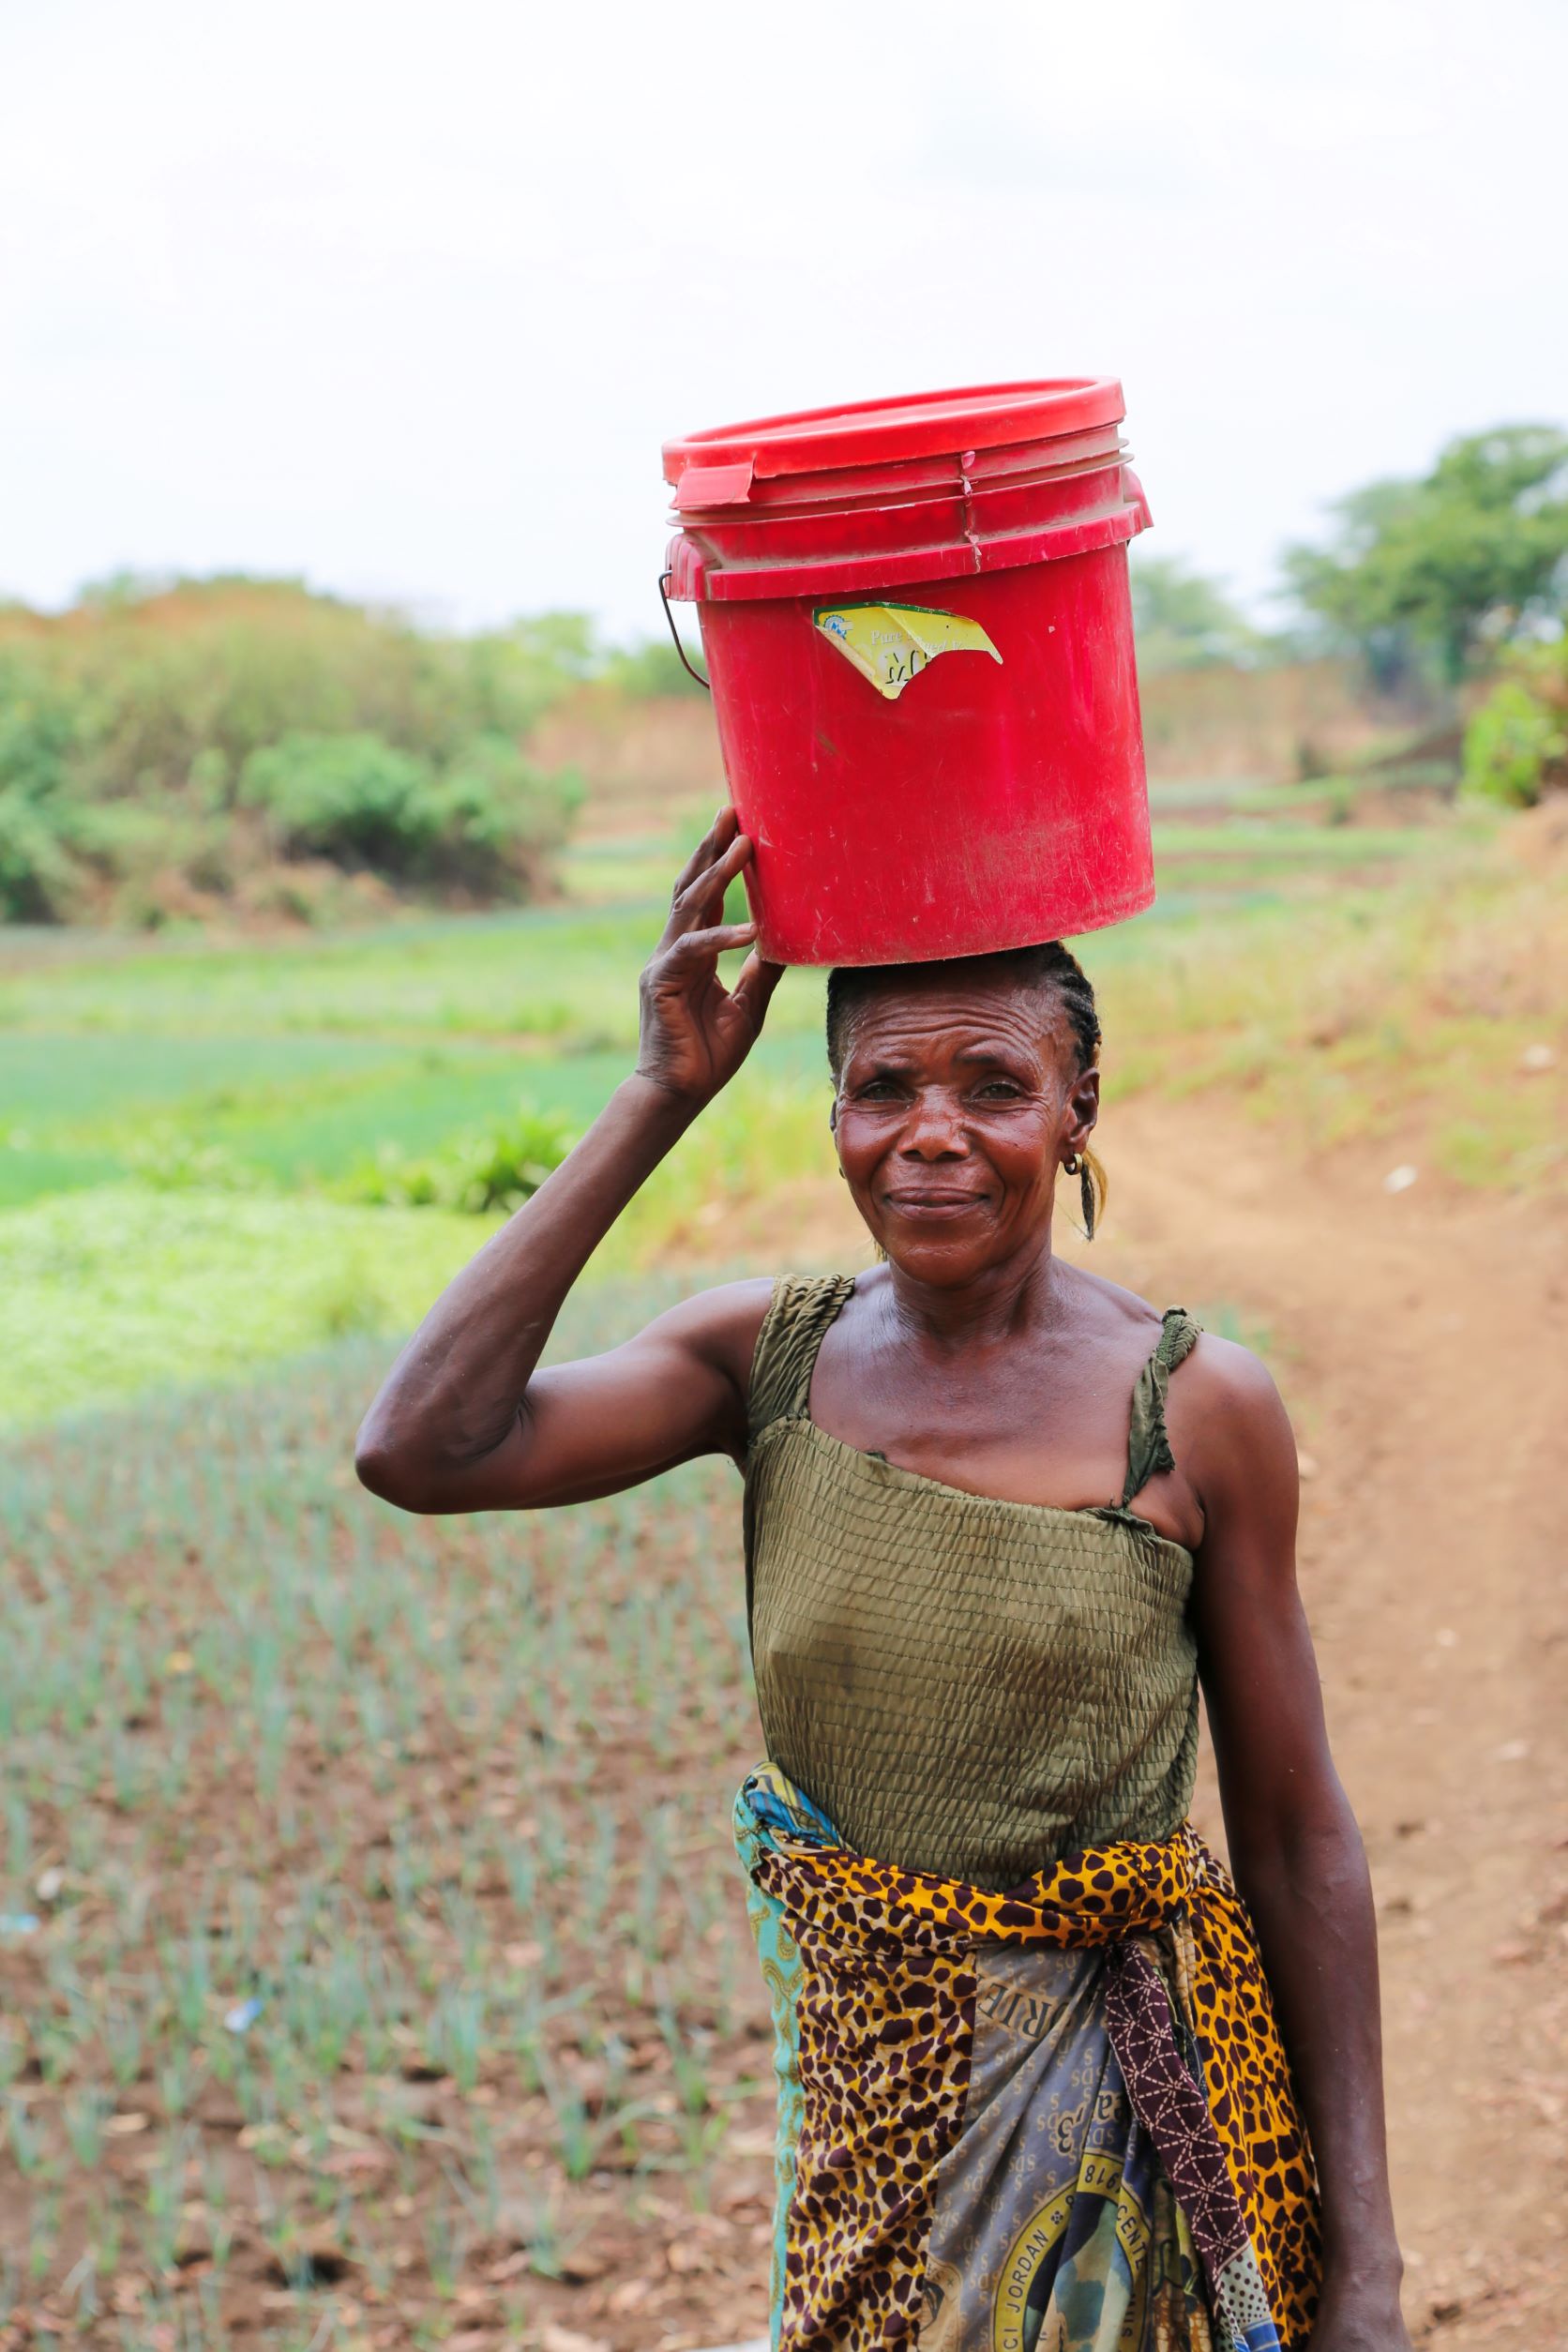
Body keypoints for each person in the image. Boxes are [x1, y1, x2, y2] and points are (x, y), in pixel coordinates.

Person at [356, 810, 1410, 2352]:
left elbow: (1300, 1828)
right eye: (882, 1088)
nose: (932, 1131)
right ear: (830, 1111)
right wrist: (661, 1093)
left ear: (1078, 1110)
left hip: (1133, 2110)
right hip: (875, 2098)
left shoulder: (1193, 1407)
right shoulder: (762, 1360)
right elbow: (424, 1447)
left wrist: (1369, 2277)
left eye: (995, 1086)